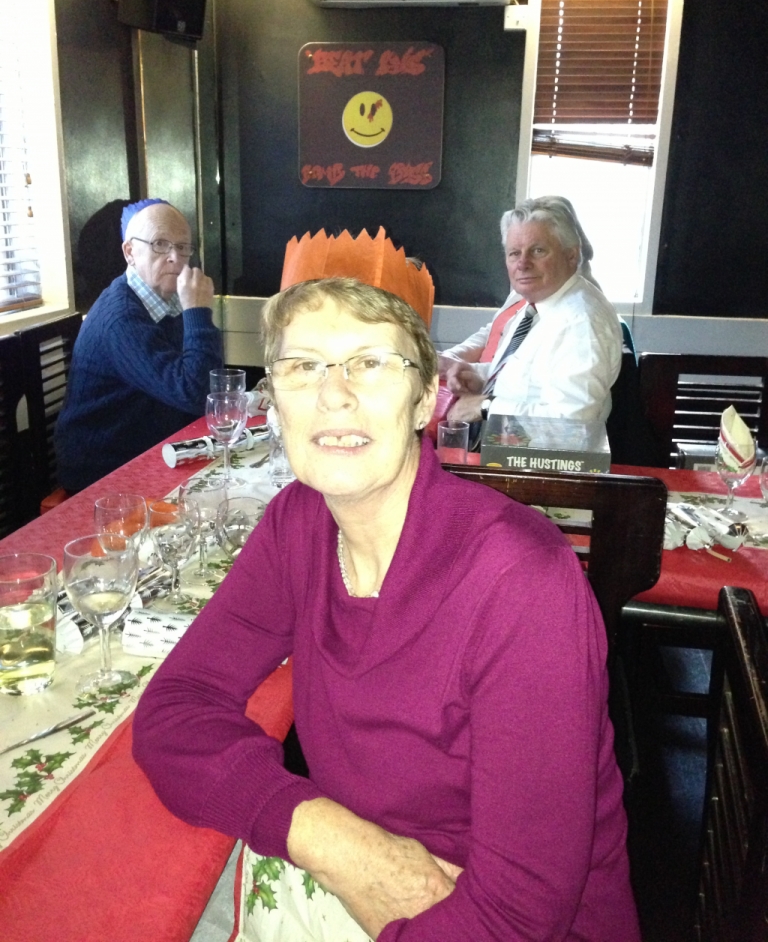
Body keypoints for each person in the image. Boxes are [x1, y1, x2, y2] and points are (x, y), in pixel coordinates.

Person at [133, 277, 640, 942]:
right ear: (274, 401)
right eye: (303, 366)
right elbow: (175, 707)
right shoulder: (299, 522)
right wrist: (334, 841)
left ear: (425, 399)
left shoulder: (522, 581)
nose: (333, 393)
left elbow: (519, 917)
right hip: (362, 884)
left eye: (370, 363)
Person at [55, 199, 223, 492]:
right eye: (160, 244)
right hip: (103, 469)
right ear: (130, 252)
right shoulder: (121, 318)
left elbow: (209, 385)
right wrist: (198, 312)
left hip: (156, 446)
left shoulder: (169, 298)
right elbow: (196, 394)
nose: (175, 257)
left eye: (183, 247)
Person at [442, 197, 622, 427]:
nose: (523, 263)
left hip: (538, 451)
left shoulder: (581, 323)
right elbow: (528, 379)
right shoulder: (538, 303)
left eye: (538, 251)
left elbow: (573, 422)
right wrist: (479, 375)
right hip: (511, 443)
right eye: (514, 253)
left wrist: (486, 406)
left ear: (571, 256)